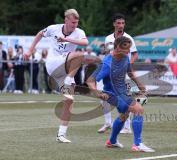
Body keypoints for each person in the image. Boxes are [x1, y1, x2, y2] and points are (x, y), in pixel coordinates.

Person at [24, 9, 99, 143]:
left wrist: (66, 38)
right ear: (65, 20)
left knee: (69, 101)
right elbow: (40, 34)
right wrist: (30, 50)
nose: (74, 25)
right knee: (80, 55)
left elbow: (85, 43)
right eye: (72, 23)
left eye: (76, 23)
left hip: (64, 69)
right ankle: (69, 80)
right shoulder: (54, 29)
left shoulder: (79, 32)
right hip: (53, 64)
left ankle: (61, 134)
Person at [87, 36, 155, 152]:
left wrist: (140, 85)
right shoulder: (107, 64)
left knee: (124, 115)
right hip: (111, 94)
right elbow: (90, 80)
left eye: (129, 48)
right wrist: (97, 92)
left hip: (122, 92)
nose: (128, 51)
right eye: (126, 48)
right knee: (138, 109)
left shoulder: (125, 57)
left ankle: (112, 141)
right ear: (117, 47)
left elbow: (129, 71)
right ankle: (137, 144)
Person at [98, 13, 138, 134]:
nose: (121, 25)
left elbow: (135, 54)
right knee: (103, 97)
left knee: (124, 99)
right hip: (110, 72)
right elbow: (107, 53)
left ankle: (127, 127)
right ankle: (107, 123)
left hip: (122, 73)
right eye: (119, 23)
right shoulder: (108, 38)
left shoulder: (129, 38)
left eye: (123, 23)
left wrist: (128, 65)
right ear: (114, 24)